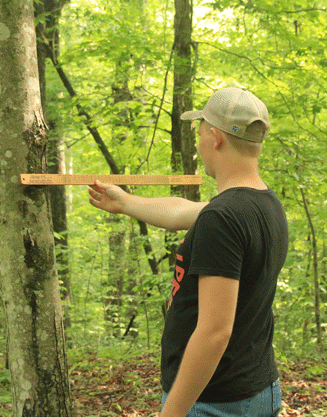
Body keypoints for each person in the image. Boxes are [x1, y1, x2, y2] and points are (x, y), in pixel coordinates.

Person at [88, 87, 288, 417]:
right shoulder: (263, 204)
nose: (198, 143)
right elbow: (181, 212)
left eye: (199, 133)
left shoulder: (223, 218)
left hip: (214, 402)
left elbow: (214, 333)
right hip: (255, 388)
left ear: (215, 137)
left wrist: (172, 413)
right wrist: (124, 202)